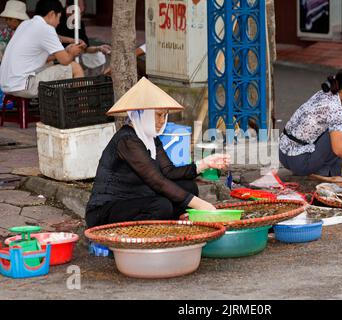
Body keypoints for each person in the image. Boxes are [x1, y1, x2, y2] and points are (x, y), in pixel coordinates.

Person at [85, 77, 231, 228]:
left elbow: (169, 172)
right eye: (158, 115)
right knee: (161, 206)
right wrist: (201, 205)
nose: (162, 121)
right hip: (105, 211)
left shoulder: (151, 139)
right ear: (142, 114)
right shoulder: (127, 140)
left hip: (136, 198)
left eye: (165, 115)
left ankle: (171, 222)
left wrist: (204, 164)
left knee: (188, 187)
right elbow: (158, 182)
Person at [279, 65, 342, 183]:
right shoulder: (336, 111)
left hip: (283, 154)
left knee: (340, 126)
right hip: (300, 162)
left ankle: (320, 170)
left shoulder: (324, 93)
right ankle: (326, 174)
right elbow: (339, 149)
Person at [0, 0, 84, 99]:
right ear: (52, 14)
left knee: (51, 65)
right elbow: (65, 60)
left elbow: (45, 58)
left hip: (7, 84)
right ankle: (79, 108)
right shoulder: (46, 29)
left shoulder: (26, 24)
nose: (58, 22)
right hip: (23, 85)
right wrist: (72, 52)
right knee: (75, 67)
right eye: (59, 18)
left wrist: (69, 47)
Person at [56, 0, 111, 74]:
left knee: (98, 56)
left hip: (77, 55)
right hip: (59, 57)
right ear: (68, 7)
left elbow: (86, 49)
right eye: (76, 12)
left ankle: (93, 83)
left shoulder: (79, 23)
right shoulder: (57, 18)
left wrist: (99, 48)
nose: (79, 16)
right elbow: (55, 37)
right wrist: (72, 42)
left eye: (81, 13)